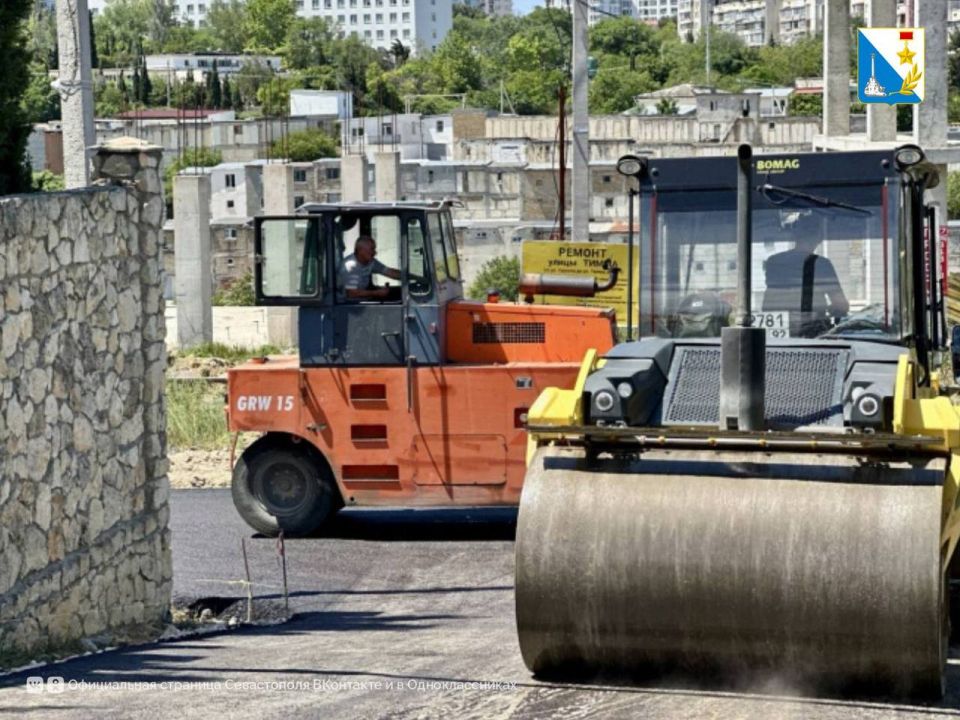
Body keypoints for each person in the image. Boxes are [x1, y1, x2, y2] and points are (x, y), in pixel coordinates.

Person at [762, 212, 849, 337]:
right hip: (809, 334)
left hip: (774, 333)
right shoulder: (821, 264)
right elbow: (841, 305)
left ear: (794, 235)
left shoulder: (773, 262)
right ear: (819, 237)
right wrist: (831, 309)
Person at [338, 235, 401, 300]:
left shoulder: (370, 262)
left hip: (363, 300)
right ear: (360, 250)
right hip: (348, 305)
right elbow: (352, 293)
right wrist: (377, 293)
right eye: (372, 249)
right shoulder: (350, 266)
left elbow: (389, 272)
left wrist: (408, 276)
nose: (375, 253)